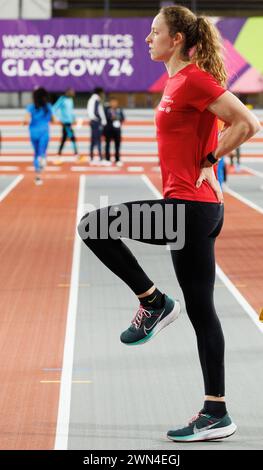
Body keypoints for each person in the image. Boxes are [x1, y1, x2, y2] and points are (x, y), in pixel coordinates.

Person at [78, 5, 260, 443]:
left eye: (154, 32)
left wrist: (210, 161)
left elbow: (246, 122)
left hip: (189, 210)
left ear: (176, 39)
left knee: (93, 226)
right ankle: (216, 412)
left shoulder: (194, 79)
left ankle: (154, 302)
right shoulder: (176, 82)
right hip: (192, 211)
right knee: (201, 312)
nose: (148, 38)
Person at [24, 87, 54, 185]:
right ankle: (43, 158)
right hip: (44, 132)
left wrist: (24, 122)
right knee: (42, 151)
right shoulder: (48, 107)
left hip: (33, 132)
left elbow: (26, 120)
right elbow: (53, 120)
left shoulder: (31, 107)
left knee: (36, 153)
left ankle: (38, 177)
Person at [52, 88, 80, 164]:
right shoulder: (62, 99)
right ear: (68, 92)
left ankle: (58, 156)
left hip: (69, 122)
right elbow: (54, 108)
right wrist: (58, 118)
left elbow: (71, 111)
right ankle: (76, 155)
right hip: (65, 123)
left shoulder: (71, 100)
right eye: (72, 91)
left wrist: (74, 118)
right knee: (72, 138)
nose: (73, 93)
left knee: (64, 139)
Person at [87, 87, 107, 165]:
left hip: (95, 121)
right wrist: (100, 120)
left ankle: (92, 157)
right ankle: (99, 158)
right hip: (96, 122)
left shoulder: (95, 100)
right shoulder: (95, 100)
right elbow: (95, 112)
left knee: (94, 140)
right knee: (97, 140)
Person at [104, 97, 125, 166]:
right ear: (110, 103)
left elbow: (123, 118)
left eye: (115, 102)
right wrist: (111, 118)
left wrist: (117, 118)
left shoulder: (119, 109)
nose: (114, 104)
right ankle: (107, 159)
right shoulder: (107, 110)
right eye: (112, 102)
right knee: (107, 144)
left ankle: (117, 159)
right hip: (109, 129)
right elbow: (105, 118)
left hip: (117, 130)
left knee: (117, 145)